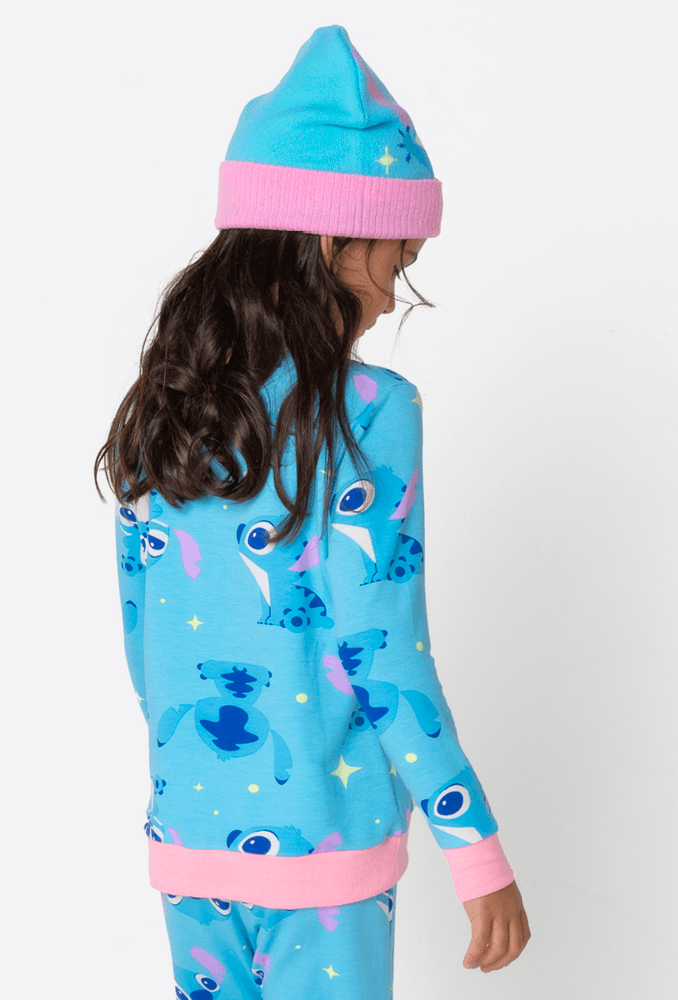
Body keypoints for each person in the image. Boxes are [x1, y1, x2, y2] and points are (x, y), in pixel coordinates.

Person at [94, 24, 531, 999]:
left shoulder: (163, 408)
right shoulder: (369, 411)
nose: (393, 297)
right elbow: (385, 653)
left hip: (187, 843)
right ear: (334, 239)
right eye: (398, 257)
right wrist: (476, 850)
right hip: (326, 855)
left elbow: (143, 640)